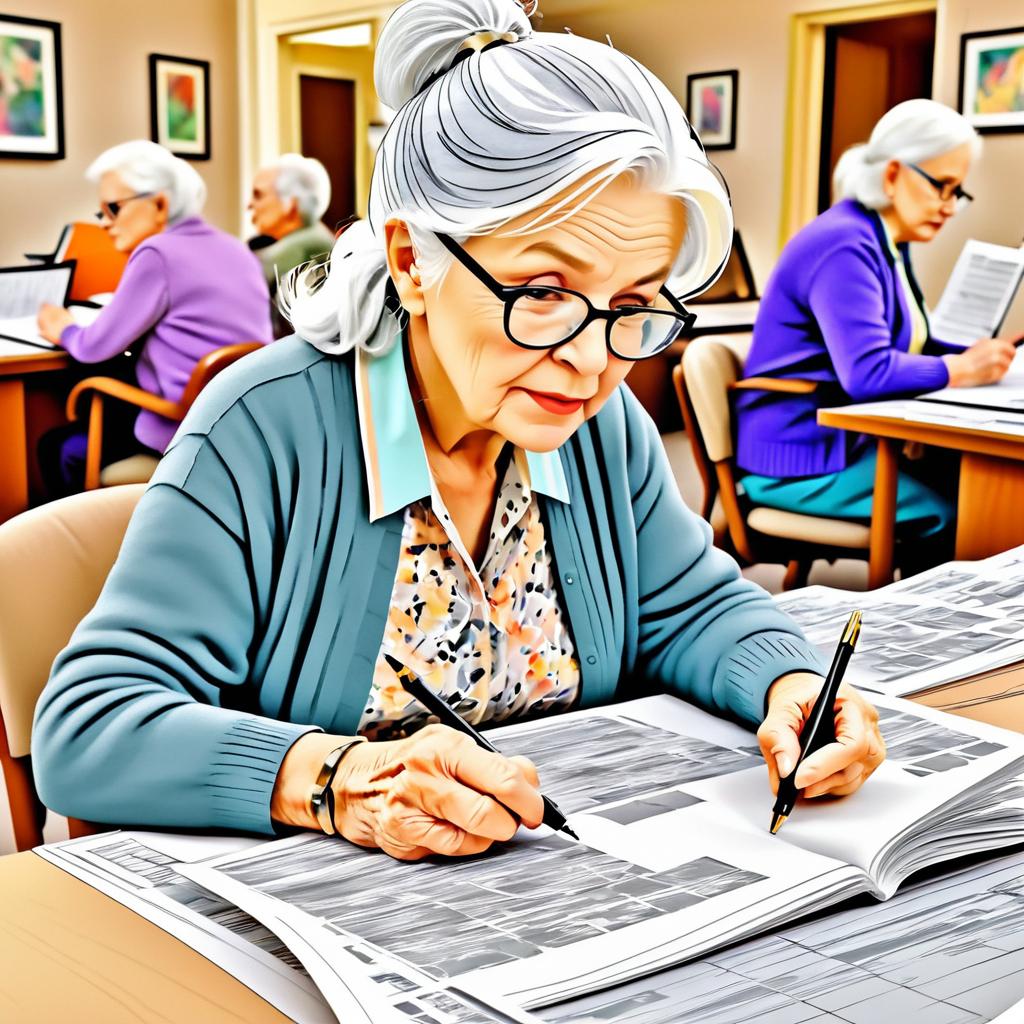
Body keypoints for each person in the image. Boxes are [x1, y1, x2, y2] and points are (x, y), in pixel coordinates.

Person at [33, 0, 885, 861]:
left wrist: (792, 682)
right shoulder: (264, 425)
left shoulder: (602, 426)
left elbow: (688, 606)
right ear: (412, 261)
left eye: (633, 306)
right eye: (543, 292)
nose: (592, 363)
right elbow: (91, 724)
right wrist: (341, 782)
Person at [734, 100, 1016, 565]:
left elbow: (909, 342)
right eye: (942, 186)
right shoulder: (845, 243)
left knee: (972, 482)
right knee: (955, 510)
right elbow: (867, 371)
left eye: (957, 192)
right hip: (799, 457)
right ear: (891, 176)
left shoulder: (883, 241)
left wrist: (976, 357)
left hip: (839, 439)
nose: (949, 207)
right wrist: (960, 369)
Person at [36, 141, 272, 496]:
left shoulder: (157, 253)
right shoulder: (234, 247)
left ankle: (86, 547)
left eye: (113, 208)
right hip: (241, 432)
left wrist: (62, 327)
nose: (105, 223)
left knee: (58, 446)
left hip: (179, 434)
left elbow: (92, 346)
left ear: (160, 204)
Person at [247, 153, 335, 336]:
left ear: (291, 204)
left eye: (258, 195)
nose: (249, 205)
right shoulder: (318, 235)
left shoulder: (303, 247)